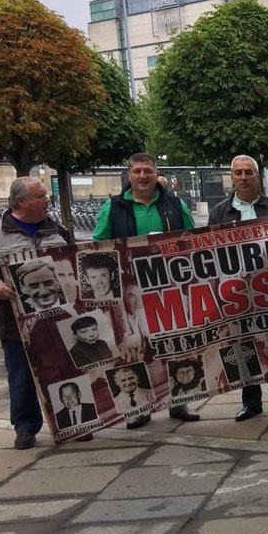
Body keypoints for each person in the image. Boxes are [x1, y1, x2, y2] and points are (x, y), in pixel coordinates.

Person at [93, 153, 198, 428]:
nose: (142, 176)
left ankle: (179, 402)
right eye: (137, 171)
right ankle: (140, 408)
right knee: (136, 346)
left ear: (155, 173)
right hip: (131, 291)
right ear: (129, 175)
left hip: (169, 287)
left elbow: (193, 239)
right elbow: (97, 246)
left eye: (147, 171)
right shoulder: (113, 207)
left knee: (173, 343)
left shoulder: (174, 205)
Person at [211, 155, 268, 421]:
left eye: (248, 172)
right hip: (236, 290)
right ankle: (251, 402)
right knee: (241, 344)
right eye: (238, 172)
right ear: (231, 177)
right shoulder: (220, 212)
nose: (243, 177)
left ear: (257, 176)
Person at [0, 177, 76, 448]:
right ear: (22, 202)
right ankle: (25, 428)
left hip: (56, 318)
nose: (47, 200)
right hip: (15, 321)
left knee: (62, 369)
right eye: (41, 196)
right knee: (21, 376)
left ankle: (71, 422)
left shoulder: (57, 230)